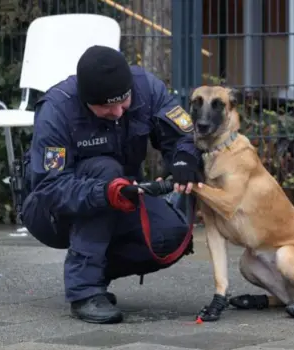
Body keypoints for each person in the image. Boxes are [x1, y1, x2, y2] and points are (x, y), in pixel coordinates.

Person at [20, 45, 203, 325]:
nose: (118, 112)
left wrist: (183, 161)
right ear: (85, 100)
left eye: (123, 101)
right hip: (50, 212)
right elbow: (49, 188)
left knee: (171, 234)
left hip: (123, 196)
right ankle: (84, 290)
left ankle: (95, 270)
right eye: (106, 106)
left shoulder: (146, 87)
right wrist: (105, 192)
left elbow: (184, 133)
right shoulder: (57, 109)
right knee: (106, 171)